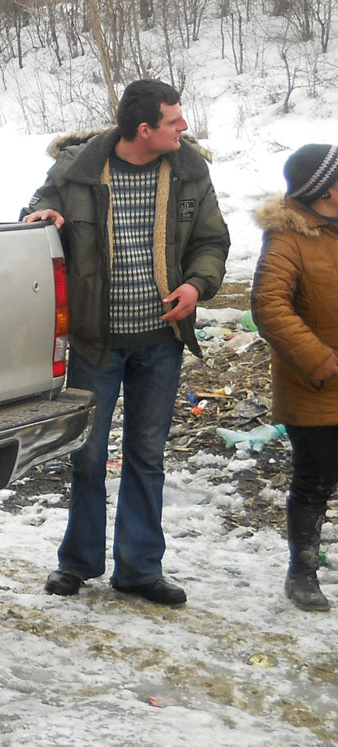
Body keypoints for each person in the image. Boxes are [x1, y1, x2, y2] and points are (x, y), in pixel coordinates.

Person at [21, 79, 230, 607]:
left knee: (146, 454)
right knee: (87, 456)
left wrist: (196, 285)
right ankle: (79, 563)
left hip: (162, 342)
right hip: (97, 343)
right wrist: (41, 217)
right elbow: (37, 205)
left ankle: (139, 569)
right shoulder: (78, 170)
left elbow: (211, 241)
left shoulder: (189, 170)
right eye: (174, 121)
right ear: (144, 129)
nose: (183, 128)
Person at [250, 143, 338, 612]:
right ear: (326, 190)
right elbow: (268, 305)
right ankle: (302, 572)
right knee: (316, 480)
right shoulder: (288, 239)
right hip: (317, 386)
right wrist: (317, 358)